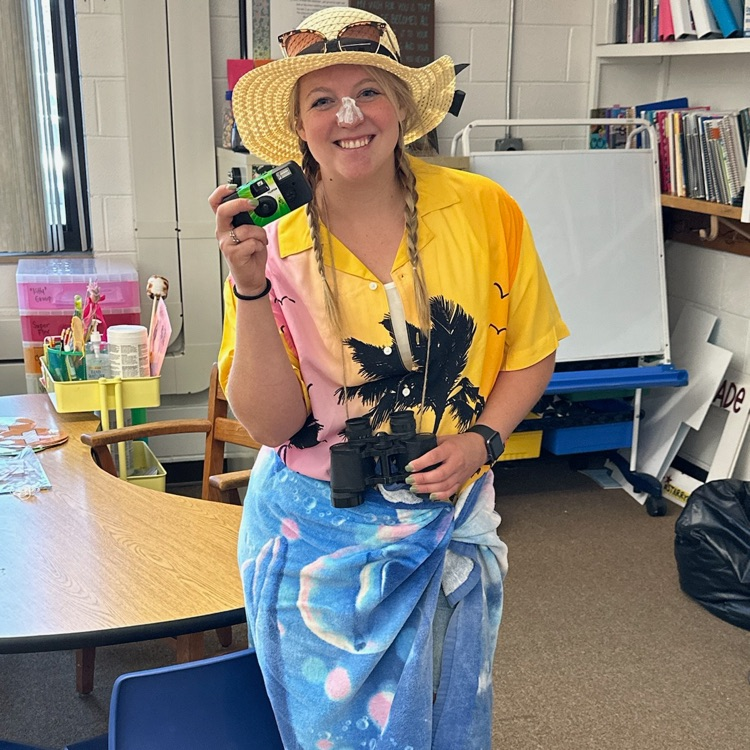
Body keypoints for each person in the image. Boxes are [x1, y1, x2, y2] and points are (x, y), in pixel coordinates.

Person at [209, 7, 569, 749]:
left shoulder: (485, 211)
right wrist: (249, 287)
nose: (349, 116)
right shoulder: (270, 240)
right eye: (322, 100)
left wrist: (482, 441)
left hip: (445, 519)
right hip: (313, 541)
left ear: (402, 107)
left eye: (369, 91)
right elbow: (271, 427)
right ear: (298, 125)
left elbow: (531, 348)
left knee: (441, 723)